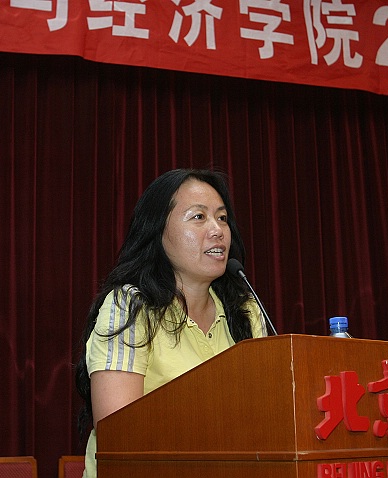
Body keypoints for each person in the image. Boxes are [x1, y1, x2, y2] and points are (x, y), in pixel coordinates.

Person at [75, 169, 268, 478]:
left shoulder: (245, 310)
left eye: (222, 218)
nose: (218, 230)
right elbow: (118, 431)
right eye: (198, 217)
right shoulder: (130, 306)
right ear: (158, 231)